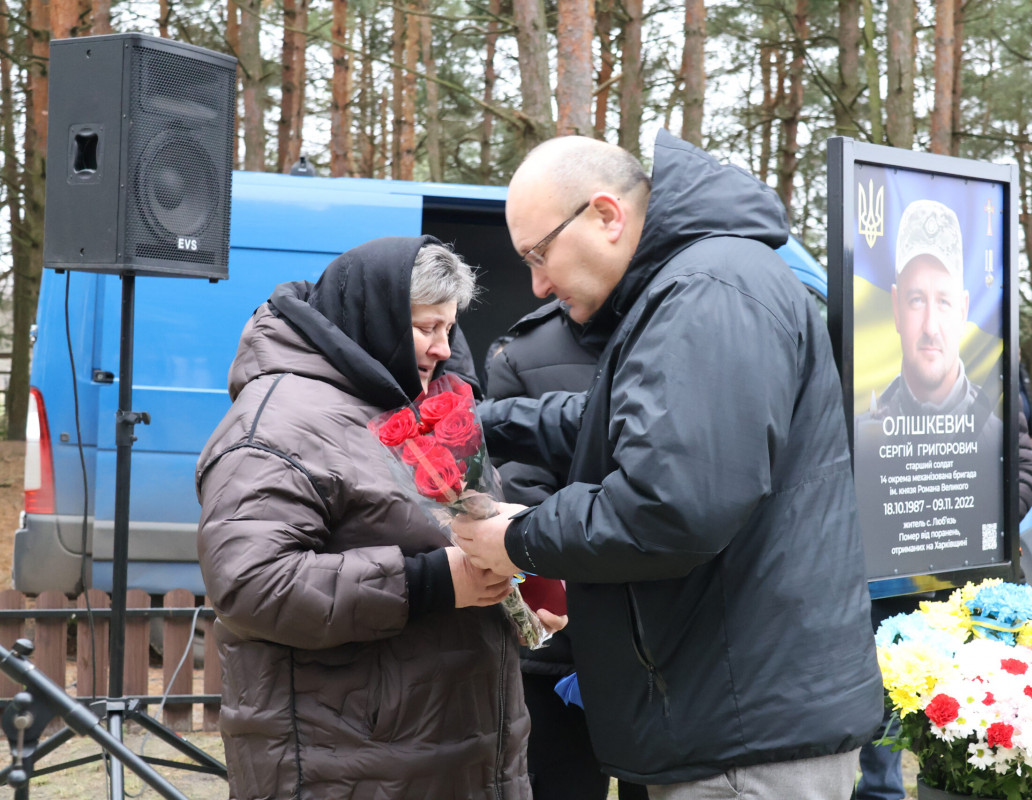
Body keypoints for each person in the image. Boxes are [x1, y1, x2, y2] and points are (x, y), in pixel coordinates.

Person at [453, 132, 882, 798]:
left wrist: (517, 539)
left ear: (606, 215)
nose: (537, 284)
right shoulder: (696, 284)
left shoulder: (710, 292)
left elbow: (668, 506)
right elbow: (622, 425)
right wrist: (489, 420)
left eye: (539, 254)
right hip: (733, 715)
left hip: (741, 735)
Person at [195, 237, 541, 799]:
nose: (443, 349)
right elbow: (250, 583)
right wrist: (429, 582)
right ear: (373, 319)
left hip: (452, 748)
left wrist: (517, 586)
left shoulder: (420, 401)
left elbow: (450, 530)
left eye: (449, 329)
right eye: (427, 328)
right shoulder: (277, 422)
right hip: (348, 763)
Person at [852, 200, 1032, 800]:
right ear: (897, 309)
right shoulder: (864, 418)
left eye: (945, 301)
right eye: (915, 300)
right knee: (879, 754)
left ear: (962, 309)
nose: (930, 323)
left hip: (962, 600)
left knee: (958, 745)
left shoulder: (995, 412)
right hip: (880, 605)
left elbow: (1025, 476)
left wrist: (970, 518)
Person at [487, 301, 648, 800]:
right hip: (566, 647)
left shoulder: (678, 326)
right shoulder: (523, 352)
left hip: (658, 642)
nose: (538, 284)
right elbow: (523, 496)